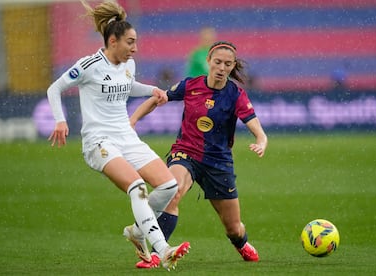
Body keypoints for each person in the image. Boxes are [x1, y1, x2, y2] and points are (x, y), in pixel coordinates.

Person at [46, 0, 190, 270]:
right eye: (130, 42)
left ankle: (137, 231)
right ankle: (163, 248)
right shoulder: (88, 65)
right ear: (113, 41)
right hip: (98, 142)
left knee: (169, 186)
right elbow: (55, 88)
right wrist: (60, 121)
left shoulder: (129, 64)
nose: (135, 48)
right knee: (137, 188)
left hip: (126, 137)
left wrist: (151, 91)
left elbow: (127, 85)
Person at [130, 41, 268, 268]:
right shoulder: (190, 85)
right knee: (172, 191)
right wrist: (133, 120)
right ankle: (157, 253)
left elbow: (255, 127)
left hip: (218, 163)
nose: (222, 68)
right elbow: (159, 98)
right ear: (209, 62)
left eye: (227, 64)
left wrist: (261, 141)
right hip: (186, 153)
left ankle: (240, 243)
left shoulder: (236, 94)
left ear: (232, 66)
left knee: (233, 228)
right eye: (218, 62)